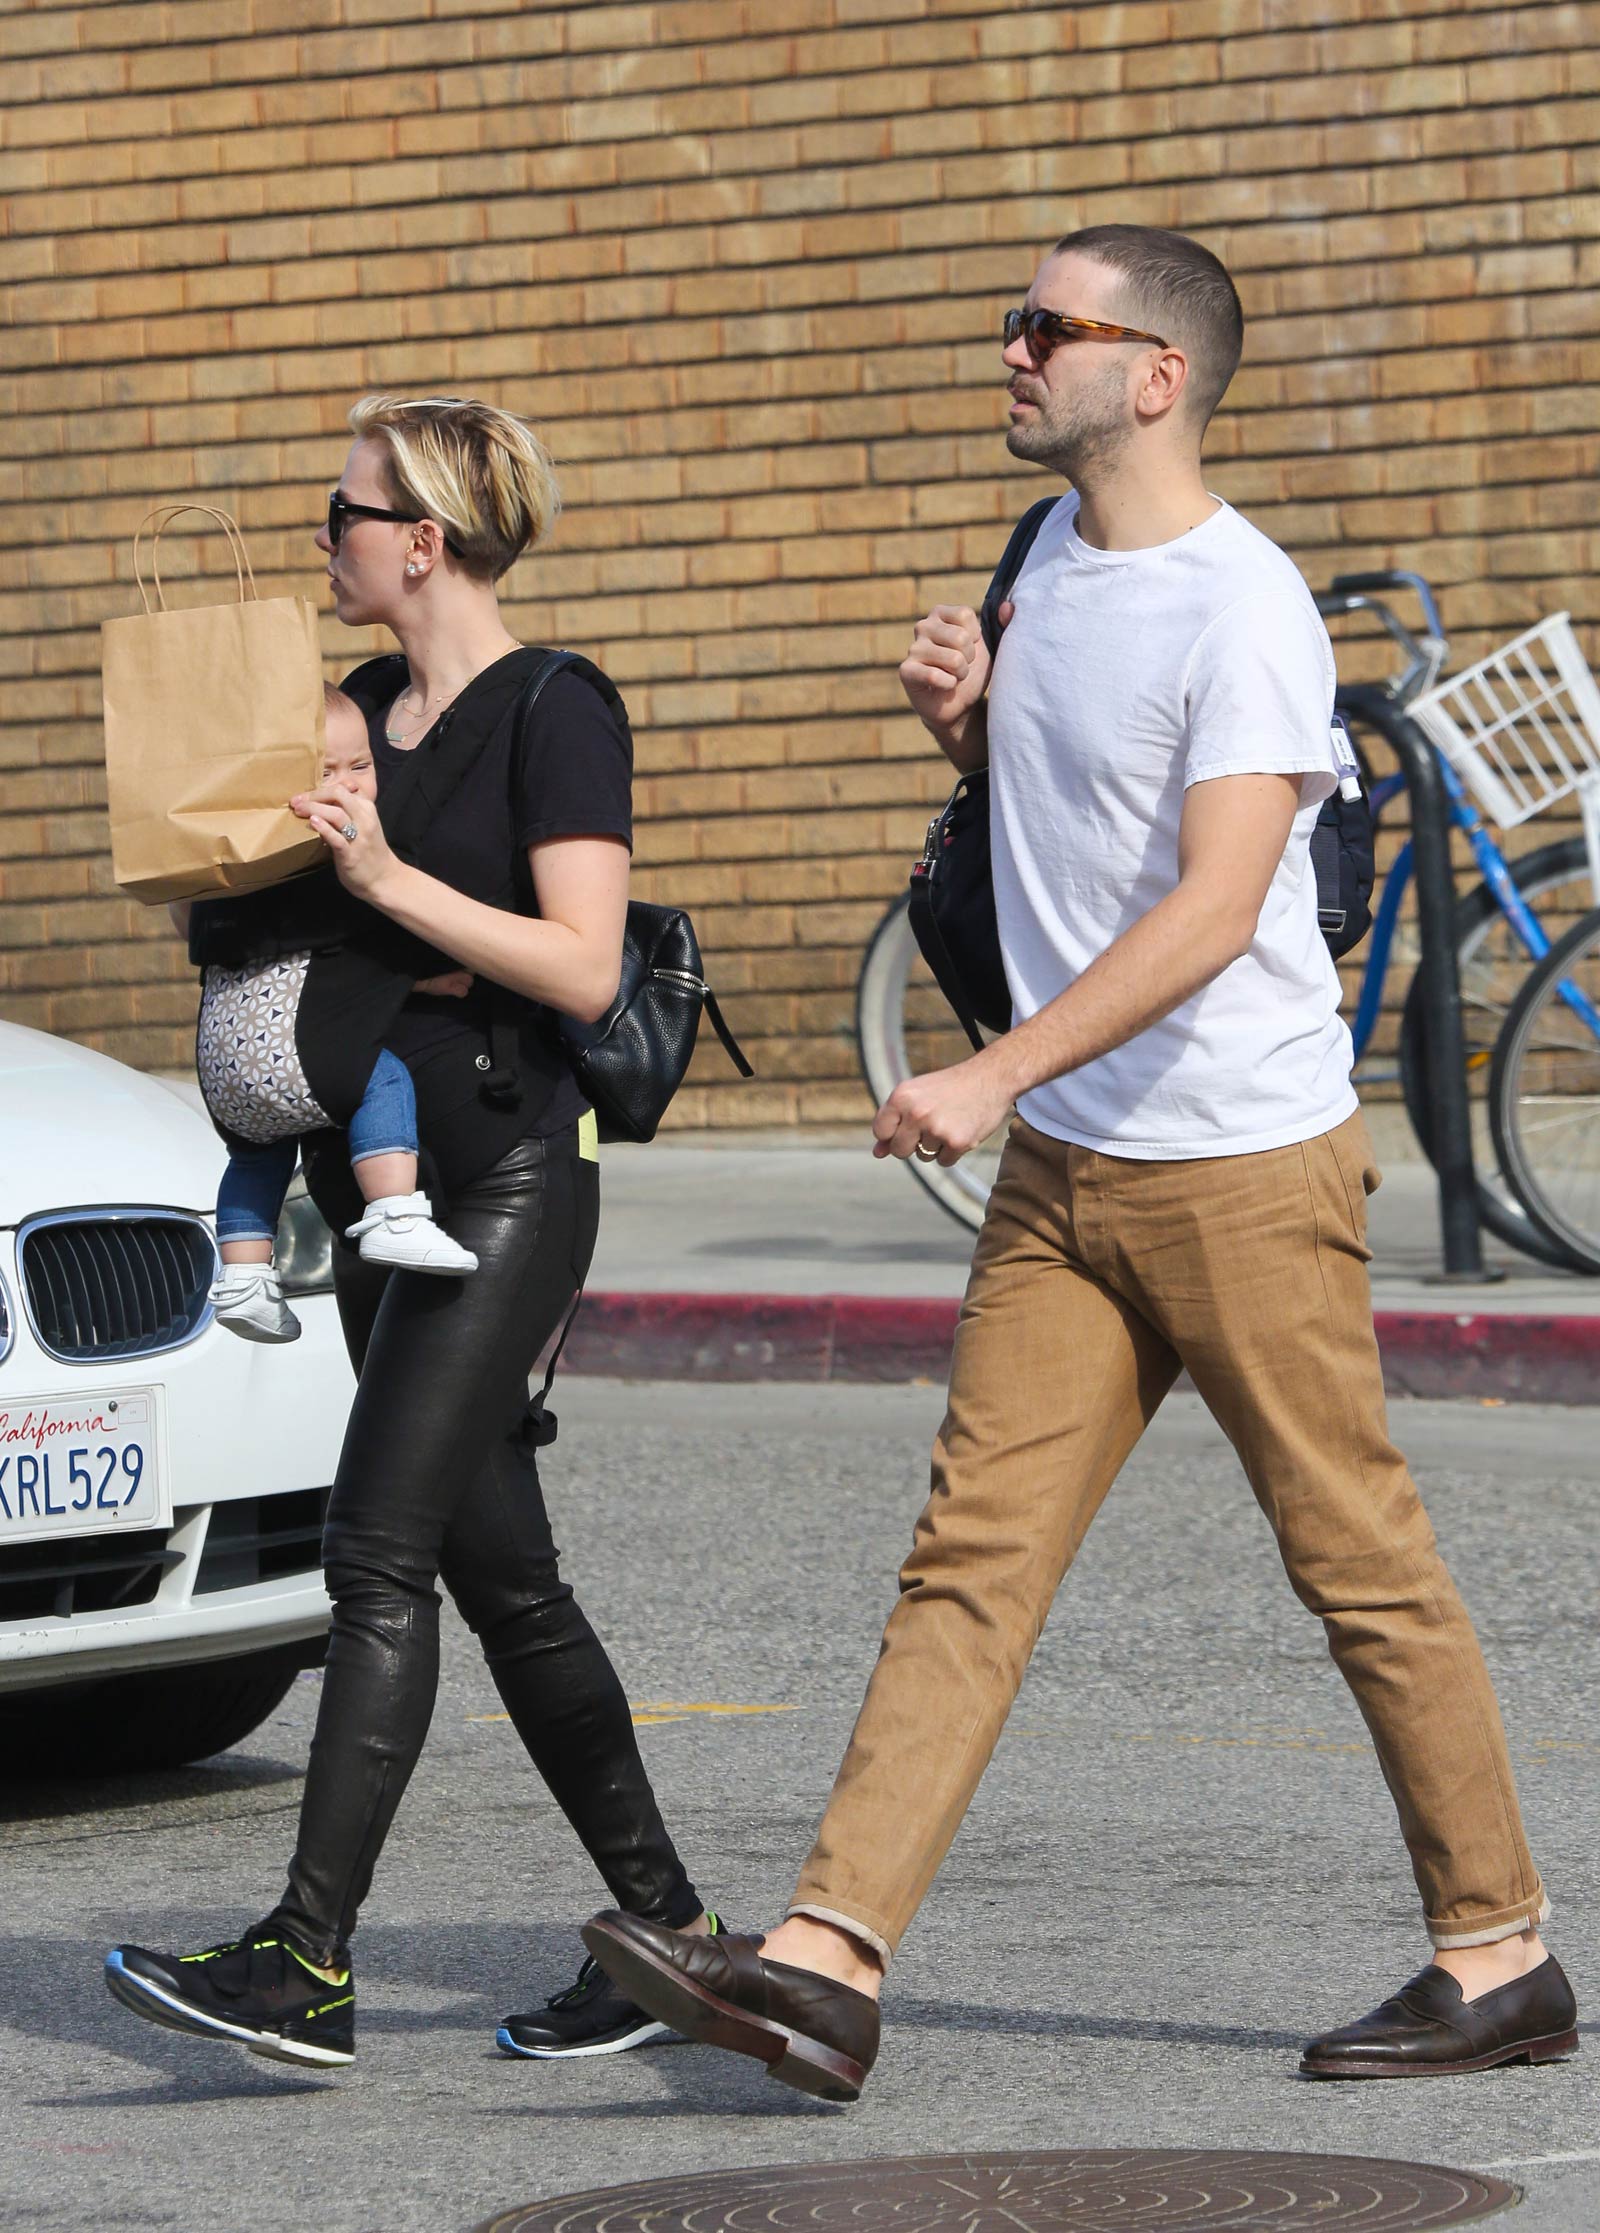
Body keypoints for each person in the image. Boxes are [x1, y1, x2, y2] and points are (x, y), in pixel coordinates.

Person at [578, 226, 1577, 2100]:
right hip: (1074, 1165)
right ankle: (826, 1959)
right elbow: (1071, 823)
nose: (1011, 352)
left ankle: (1500, 1950)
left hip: (1239, 1166)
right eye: (1014, 322)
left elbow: (1213, 907)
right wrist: (969, 726)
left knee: (1358, 1561)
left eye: (1049, 328)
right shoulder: (1042, 558)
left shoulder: (1247, 606)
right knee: (968, 1565)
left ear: (1158, 374)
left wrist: (991, 1071)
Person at [105, 394, 727, 2070]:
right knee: (505, 1574)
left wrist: (384, 886)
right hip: (370, 1191)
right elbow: (301, 924)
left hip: (511, 1176)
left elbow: (584, 967)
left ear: (423, 539)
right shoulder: (357, 706)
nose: (327, 540)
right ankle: (673, 1931)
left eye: (344, 511)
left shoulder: (555, 708)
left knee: (373, 1549)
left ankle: (305, 1960)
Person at [195, 682, 477, 1345]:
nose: (348, 785)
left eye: (362, 765)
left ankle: (243, 1278)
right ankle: (393, 1214)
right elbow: (381, 943)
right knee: (381, 1080)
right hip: (303, 1058)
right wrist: (437, 974)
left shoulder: (232, 870)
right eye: (326, 773)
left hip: (225, 1072)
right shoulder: (328, 863)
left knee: (257, 1157)